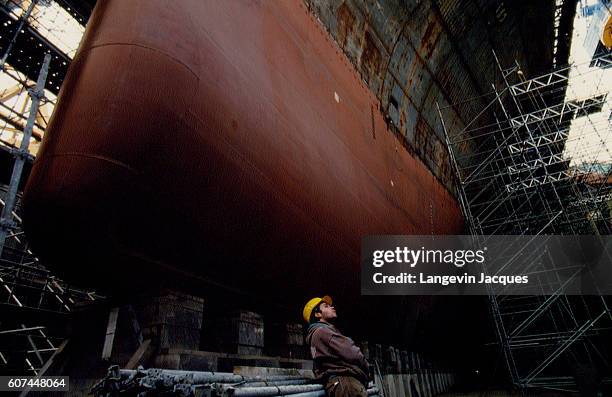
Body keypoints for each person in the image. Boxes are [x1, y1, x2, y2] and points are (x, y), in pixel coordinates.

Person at [303, 295, 369, 397]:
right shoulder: (323, 331)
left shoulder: (315, 334)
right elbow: (354, 353)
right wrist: (367, 369)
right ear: (317, 314)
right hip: (346, 384)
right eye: (326, 306)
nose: (332, 307)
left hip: (339, 383)